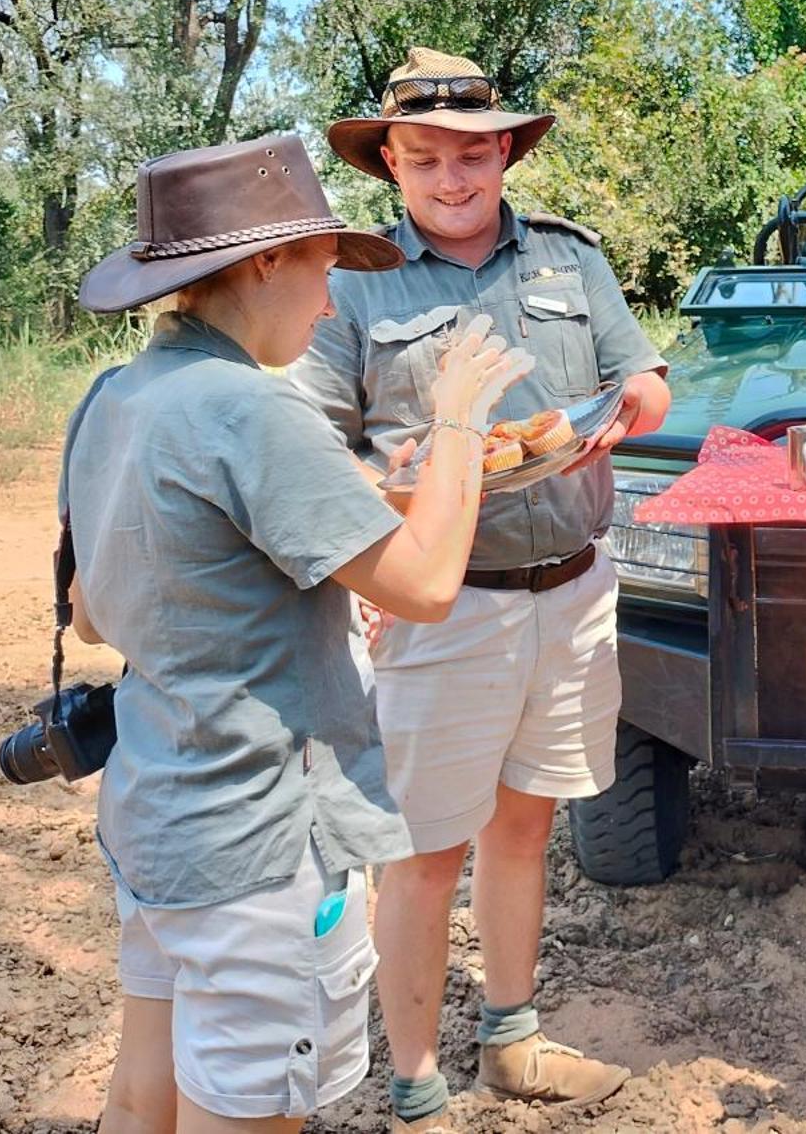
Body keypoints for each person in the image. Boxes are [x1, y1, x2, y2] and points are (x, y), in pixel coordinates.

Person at [63, 137, 532, 1134]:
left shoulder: (114, 397)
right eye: (323, 269)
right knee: (251, 1114)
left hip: (158, 820)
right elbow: (422, 587)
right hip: (259, 847)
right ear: (265, 263)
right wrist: (454, 424)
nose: (329, 305)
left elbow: (95, 614)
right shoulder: (249, 409)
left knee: (143, 1095)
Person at [288, 47, 671, 1132]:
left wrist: (624, 408)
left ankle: (511, 1039)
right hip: (441, 606)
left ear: (502, 150)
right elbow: (319, 454)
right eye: (424, 161)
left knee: (522, 825)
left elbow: (639, 376)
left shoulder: (568, 260)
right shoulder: (352, 284)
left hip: (572, 588)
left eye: (470, 155)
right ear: (391, 169)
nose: (450, 180)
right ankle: (414, 1087)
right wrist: (397, 495)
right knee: (419, 853)